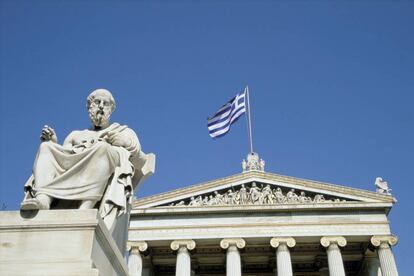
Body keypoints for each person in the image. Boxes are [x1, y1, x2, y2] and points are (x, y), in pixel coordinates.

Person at [21, 89, 154, 230]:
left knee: (102, 148)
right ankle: (44, 199)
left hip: (102, 164)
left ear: (111, 109)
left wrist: (125, 143)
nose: (101, 106)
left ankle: (86, 206)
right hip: (74, 169)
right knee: (45, 147)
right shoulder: (76, 135)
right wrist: (54, 143)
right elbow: (65, 159)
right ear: (89, 107)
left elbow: (142, 162)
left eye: (106, 103)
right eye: (97, 102)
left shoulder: (122, 131)